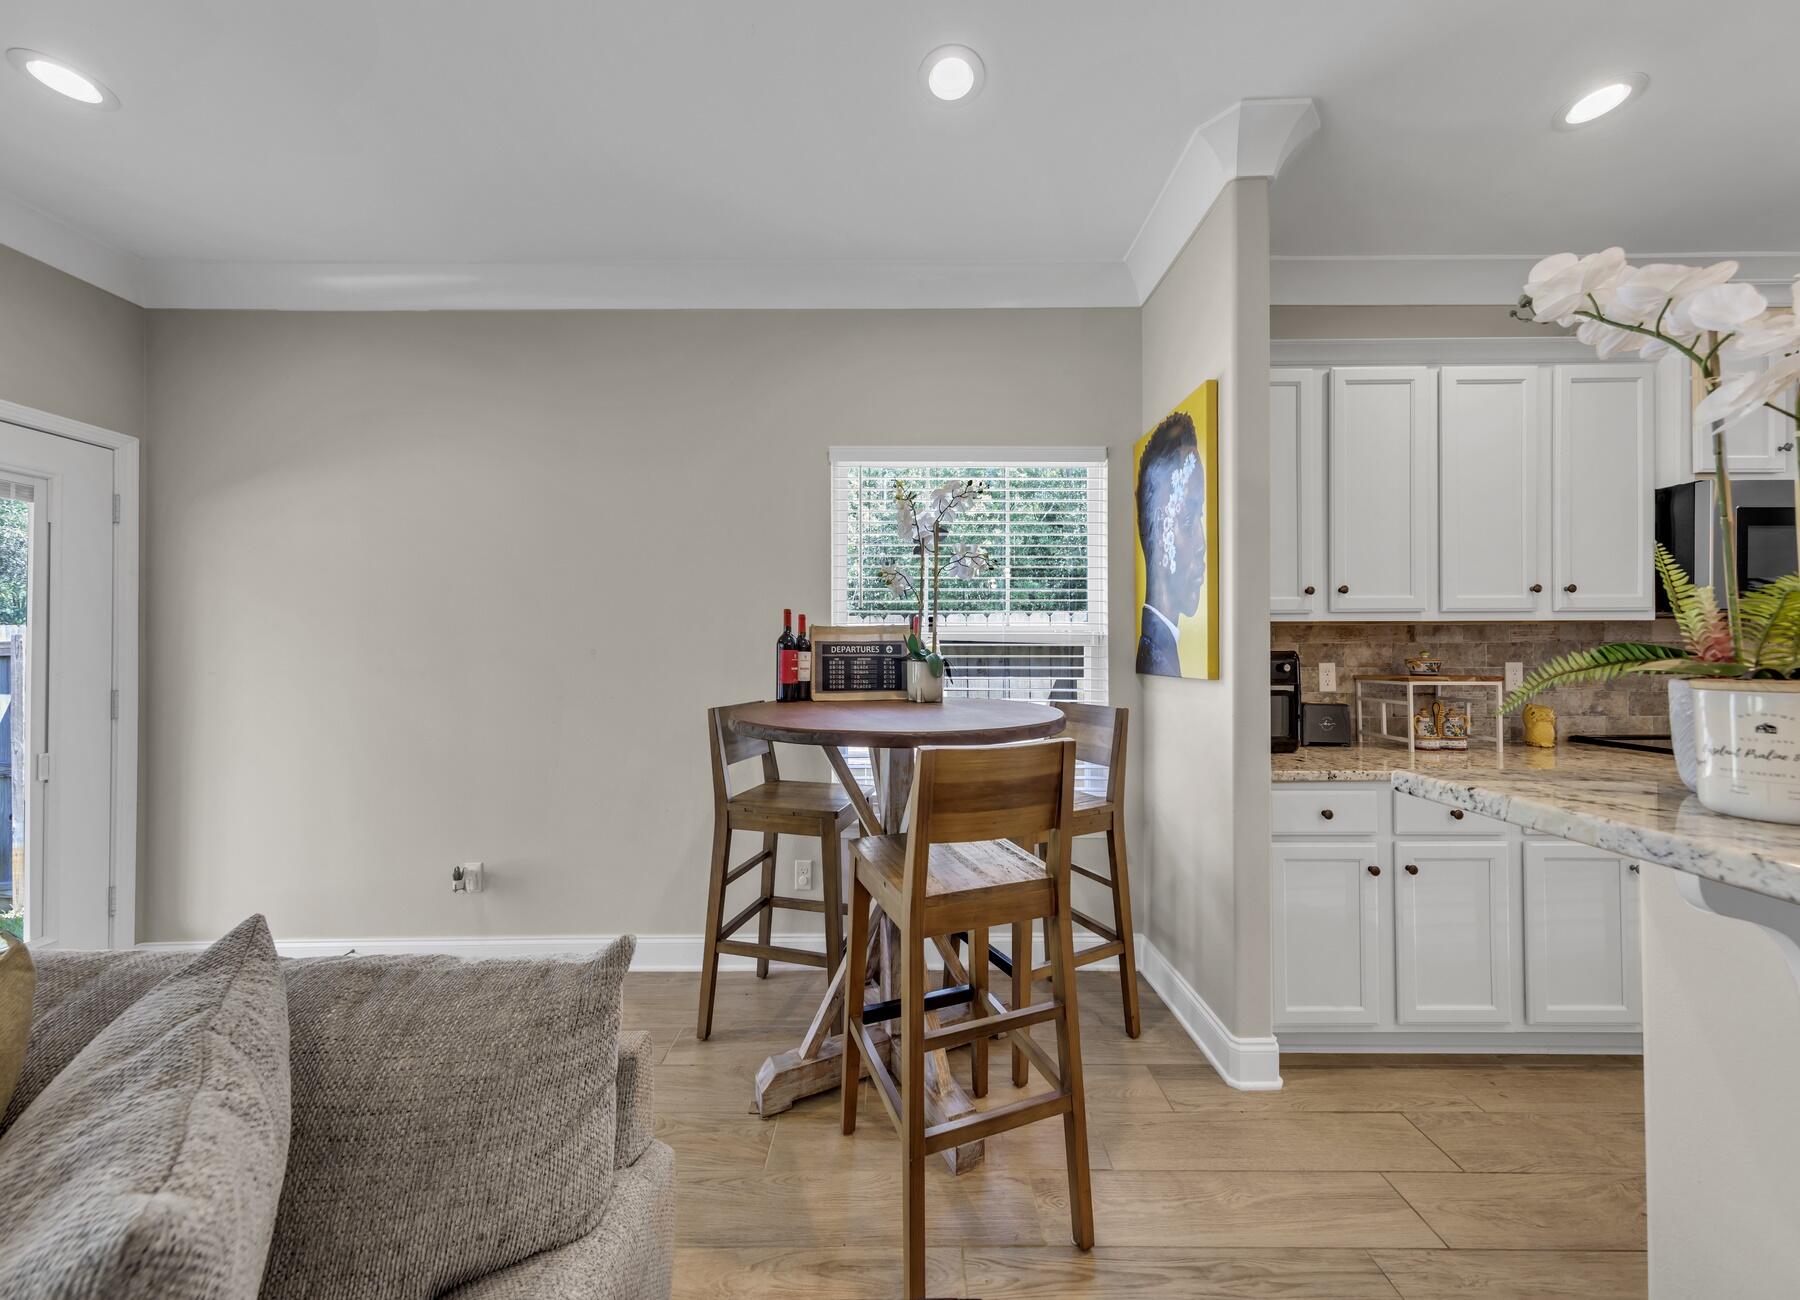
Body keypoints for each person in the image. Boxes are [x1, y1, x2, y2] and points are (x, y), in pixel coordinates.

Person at [1135, 411, 1206, 677]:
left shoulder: (1159, 653)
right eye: (1187, 520)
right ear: (1159, 532)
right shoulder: (1156, 659)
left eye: (1200, 517)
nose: (1202, 544)